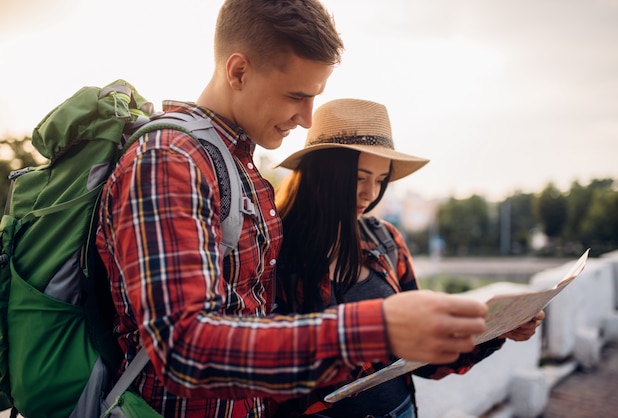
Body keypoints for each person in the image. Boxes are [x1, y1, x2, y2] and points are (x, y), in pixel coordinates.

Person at [95, 1, 510, 417]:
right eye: (297, 95)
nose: (309, 120)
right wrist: (375, 328)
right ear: (238, 71)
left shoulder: (234, 162)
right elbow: (184, 349)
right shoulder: (170, 159)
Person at [273, 98, 546, 418]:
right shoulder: (273, 251)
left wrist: (500, 330)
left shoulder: (386, 240)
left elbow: (421, 353)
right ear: (321, 174)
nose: (370, 194)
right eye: (360, 178)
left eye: (380, 179)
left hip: (401, 411)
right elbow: (267, 362)